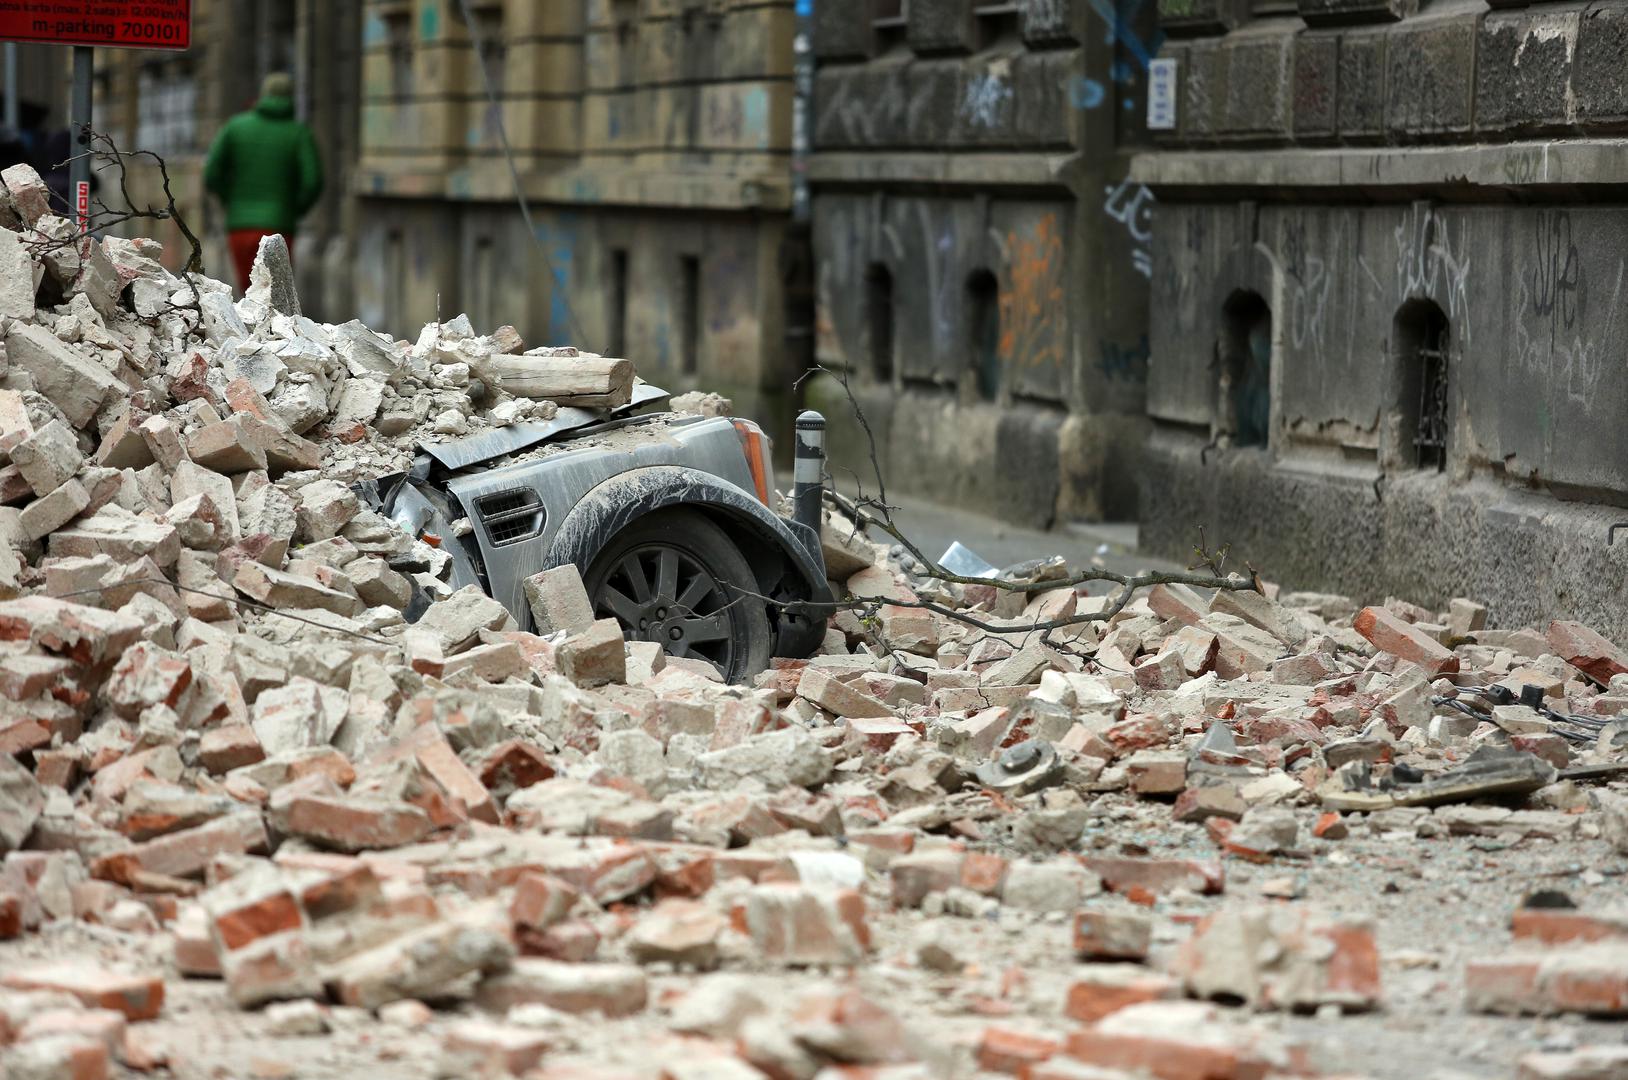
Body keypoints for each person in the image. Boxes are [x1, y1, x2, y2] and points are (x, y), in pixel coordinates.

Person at [203, 72, 323, 293]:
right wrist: (294, 209)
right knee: (275, 295)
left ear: (263, 95)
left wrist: (231, 201)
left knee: (249, 293)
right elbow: (313, 181)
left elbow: (211, 174)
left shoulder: (234, 127)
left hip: (239, 226)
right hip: (280, 226)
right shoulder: (299, 134)